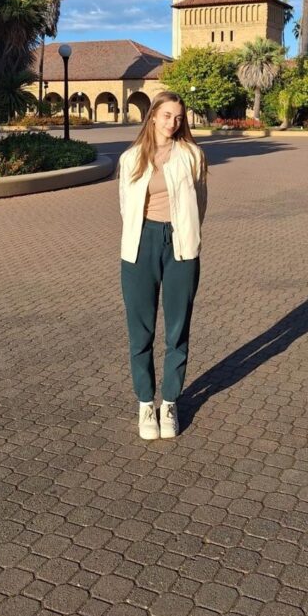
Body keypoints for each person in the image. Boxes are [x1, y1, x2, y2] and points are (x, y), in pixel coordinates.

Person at [118, 91, 208, 440]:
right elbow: (125, 206)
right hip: (140, 245)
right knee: (140, 331)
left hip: (180, 246)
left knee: (177, 329)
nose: (173, 123)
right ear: (153, 116)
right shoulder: (130, 159)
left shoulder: (192, 155)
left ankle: (169, 402)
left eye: (179, 117)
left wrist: (187, 233)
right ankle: (145, 404)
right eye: (167, 115)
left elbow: (200, 202)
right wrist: (144, 235)